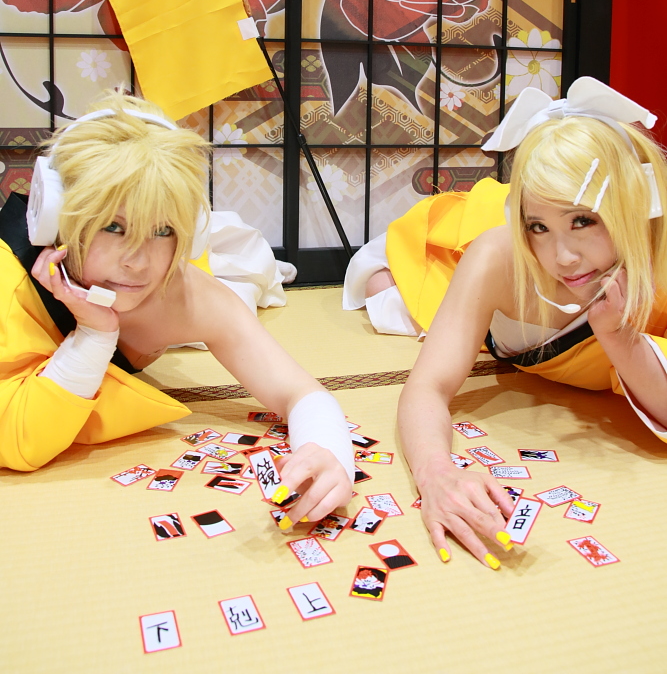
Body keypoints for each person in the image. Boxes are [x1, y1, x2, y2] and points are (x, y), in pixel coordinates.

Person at [345, 77, 667, 568]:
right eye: (539, 226)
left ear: (630, 205)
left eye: (583, 221)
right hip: (461, 257)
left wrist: (618, 336)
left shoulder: (658, 260)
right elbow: (427, 386)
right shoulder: (499, 255)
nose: (563, 256)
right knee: (383, 290)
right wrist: (435, 473)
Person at [0, 90, 354, 527]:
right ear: (54, 217)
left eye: (163, 230)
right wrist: (94, 336)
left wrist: (329, 454)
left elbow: (299, 392)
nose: (137, 260)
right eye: (113, 226)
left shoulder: (185, 295)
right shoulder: (7, 281)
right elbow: (18, 440)